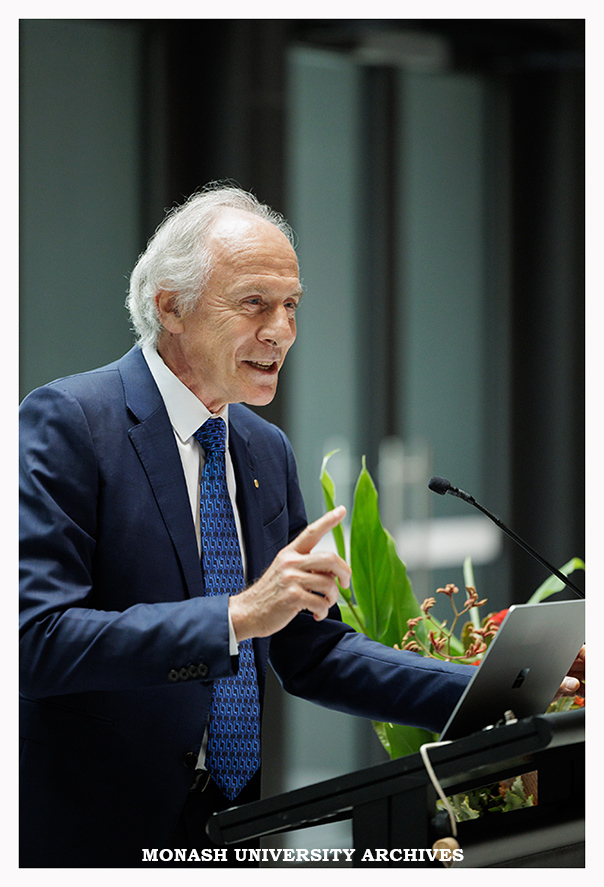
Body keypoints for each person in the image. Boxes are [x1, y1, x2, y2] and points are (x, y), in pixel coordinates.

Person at [19, 184, 583, 867]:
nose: (281, 329)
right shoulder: (71, 423)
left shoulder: (261, 447)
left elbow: (311, 652)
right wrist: (236, 614)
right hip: (89, 834)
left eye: (291, 305)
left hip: (231, 825)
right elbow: (34, 641)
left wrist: (502, 691)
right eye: (254, 302)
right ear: (171, 306)